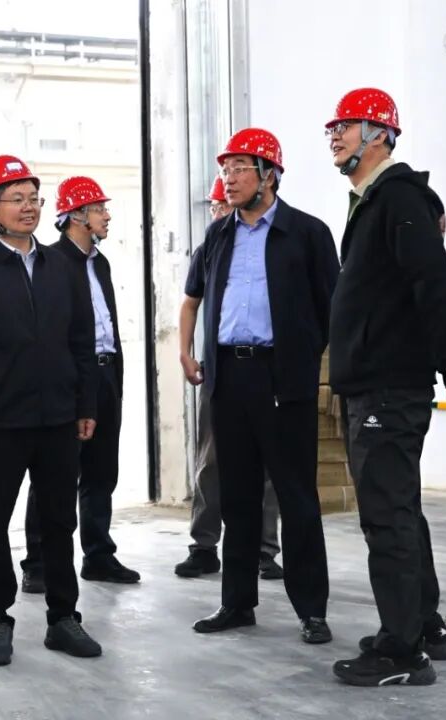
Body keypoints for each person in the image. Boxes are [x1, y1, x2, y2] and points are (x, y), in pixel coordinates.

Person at [325, 87, 446, 687]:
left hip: (389, 385)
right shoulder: (374, 201)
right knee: (401, 509)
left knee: (387, 517)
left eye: (346, 126)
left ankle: (401, 653)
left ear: (379, 135)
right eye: (332, 128)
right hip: (378, 382)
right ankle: (423, 625)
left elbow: (434, 281)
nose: (335, 137)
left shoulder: (398, 198)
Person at [182, 129, 338, 645]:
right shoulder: (218, 236)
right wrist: (191, 353)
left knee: (296, 497)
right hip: (228, 377)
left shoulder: (307, 233)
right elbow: (197, 299)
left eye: (239, 169)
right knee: (238, 497)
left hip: (282, 380)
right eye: (225, 170)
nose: (228, 180)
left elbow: (330, 310)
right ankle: (236, 603)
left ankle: (311, 610)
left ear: (269, 175)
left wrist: (301, 361)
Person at [0, 154, 101, 667]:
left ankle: (63, 618)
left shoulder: (64, 267)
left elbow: (82, 340)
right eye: (16, 199)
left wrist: (85, 403)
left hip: (58, 418)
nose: (28, 207)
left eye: (34, 198)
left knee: (59, 523)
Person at [20, 176, 139, 586]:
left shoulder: (99, 263)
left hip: (105, 373)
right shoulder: (50, 263)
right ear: (77, 216)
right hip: (69, 379)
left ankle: (98, 555)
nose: (107, 216)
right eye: (99, 209)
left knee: (102, 470)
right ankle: (38, 563)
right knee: (53, 474)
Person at [175, 175, 283, 581]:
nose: (218, 213)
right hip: (220, 369)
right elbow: (190, 302)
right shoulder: (212, 244)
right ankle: (204, 545)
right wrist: (185, 352)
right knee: (212, 460)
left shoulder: (275, 242)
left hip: (267, 369)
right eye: (215, 207)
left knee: (267, 465)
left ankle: (264, 551)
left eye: (221, 206)